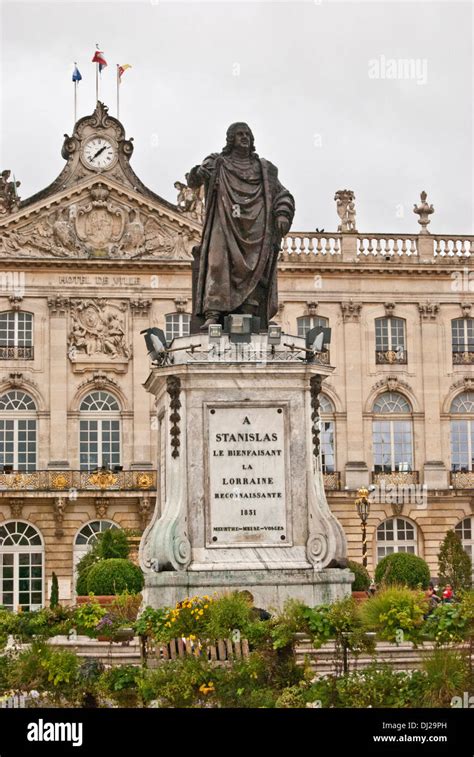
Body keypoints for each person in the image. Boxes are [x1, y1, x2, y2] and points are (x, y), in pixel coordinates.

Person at [187, 122, 295, 330]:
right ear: (230, 139)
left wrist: (282, 213)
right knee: (217, 262)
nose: (244, 137)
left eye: (247, 134)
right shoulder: (218, 162)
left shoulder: (265, 169)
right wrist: (200, 172)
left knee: (253, 267)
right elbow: (193, 179)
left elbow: (283, 194)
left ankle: (248, 310)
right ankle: (214, 312)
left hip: (256, 227)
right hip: (223, 220)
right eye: (239, 134)